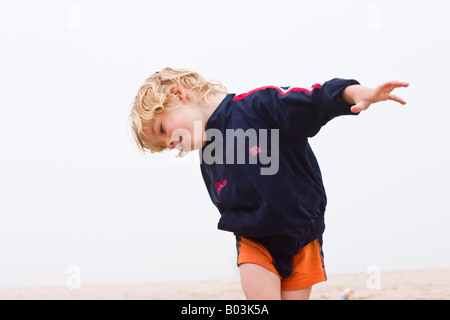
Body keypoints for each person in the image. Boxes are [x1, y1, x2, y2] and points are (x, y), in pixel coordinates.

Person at [129, 67, 408, 300]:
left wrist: (358, 93)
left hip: (302, 233)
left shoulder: (257, 106)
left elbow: (315, 100)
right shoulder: (207, 157)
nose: (170, 142)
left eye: (163, 129)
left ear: (178, 94)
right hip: (254, 241)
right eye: (164, 145)